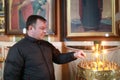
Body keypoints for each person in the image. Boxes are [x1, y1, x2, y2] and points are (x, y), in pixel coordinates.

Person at [3, 15, 86, 80]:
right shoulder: (17, 49)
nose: (45, 31)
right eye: (42, 28)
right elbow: (10, 77)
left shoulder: (46, 44)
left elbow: (58, 58)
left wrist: (75, 55)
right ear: (31, 28)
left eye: (45, 28)